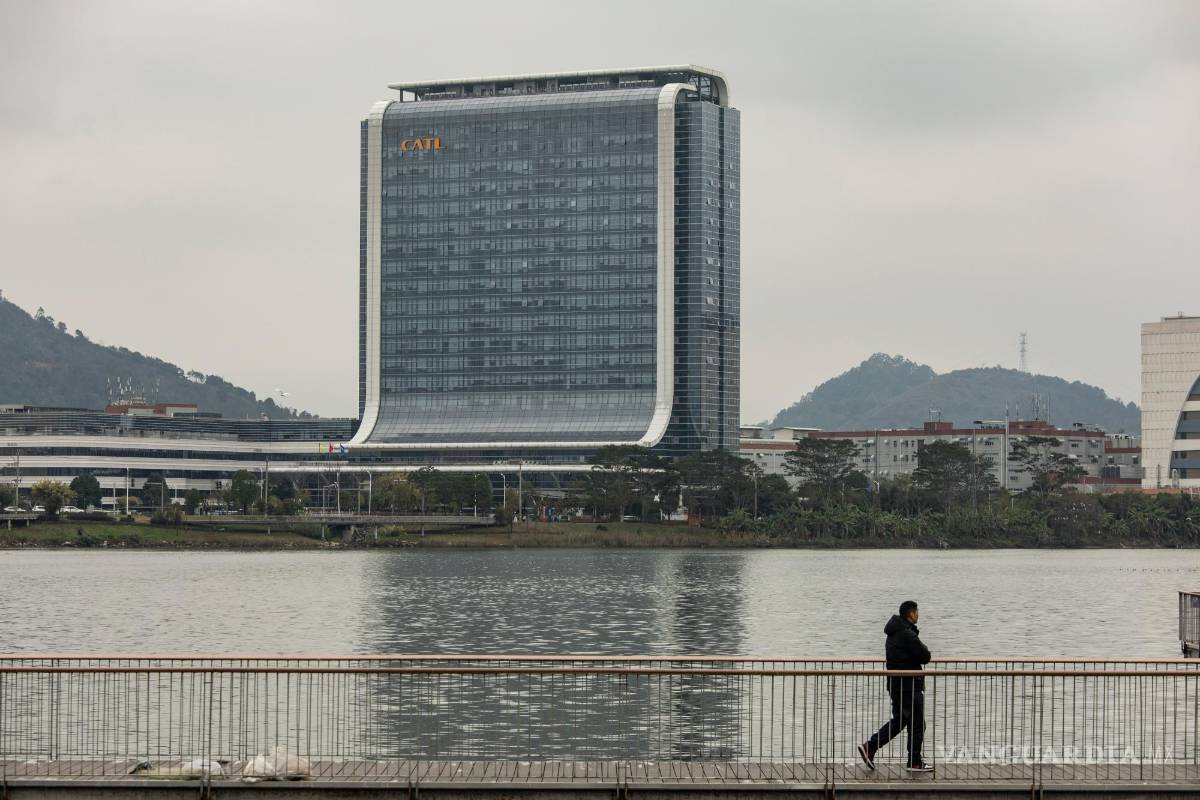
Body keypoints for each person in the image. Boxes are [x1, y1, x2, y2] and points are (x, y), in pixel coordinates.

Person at [858, 600, 933, 772]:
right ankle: (914, 762)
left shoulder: (893, 633)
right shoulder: (907, 634)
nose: (918, 614)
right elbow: (925, 656)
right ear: (910, 614)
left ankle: (870, 746)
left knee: (901, 721)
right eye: (916, 612)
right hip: (909, 685)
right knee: (917, 723)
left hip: (896, 685)